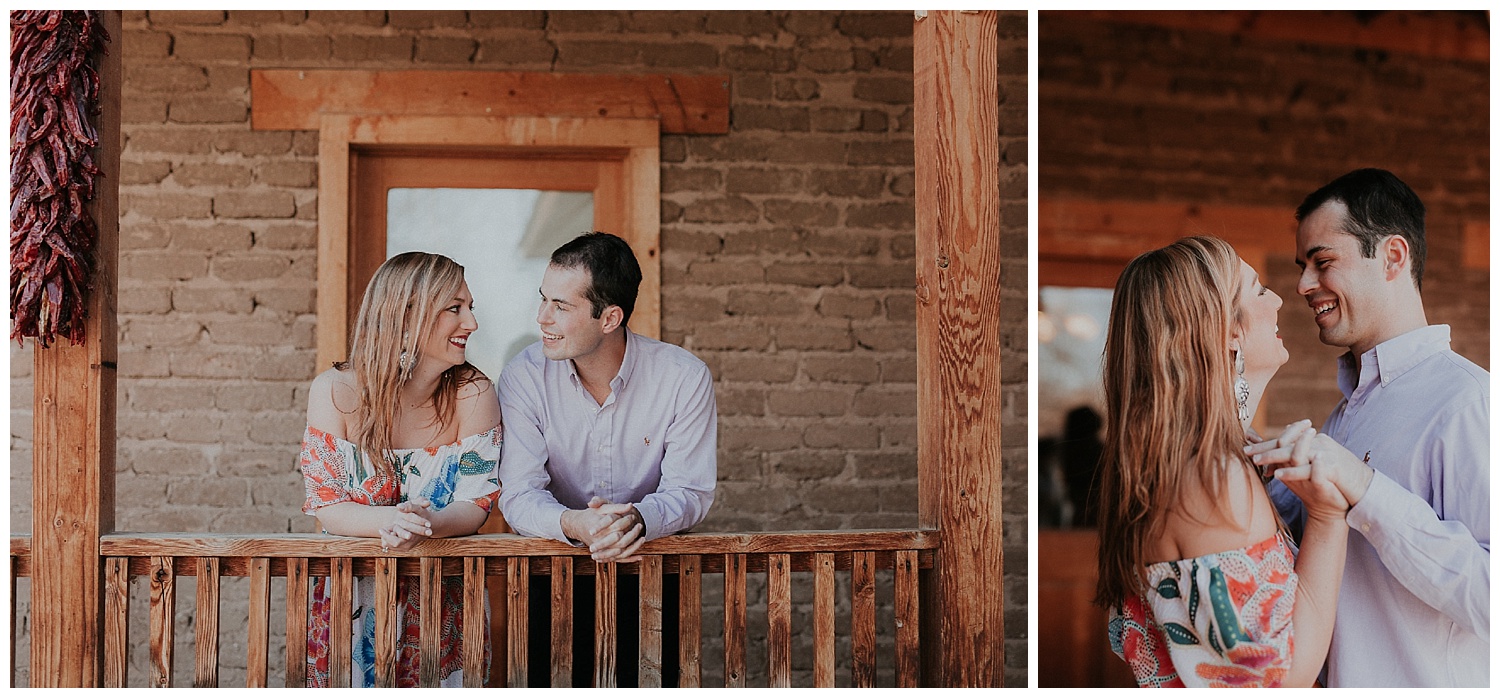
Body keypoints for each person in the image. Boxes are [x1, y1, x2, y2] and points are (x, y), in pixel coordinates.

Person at [1247, 168, 1489, 687]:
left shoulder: (1470, 403)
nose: (1304, 285)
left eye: (1323, 262)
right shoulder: (1344, 416)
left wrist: (1366, 490)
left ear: (1393, 257)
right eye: (1302, 266)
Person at [1097, 236, 1351, 687]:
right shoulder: (1209, 477)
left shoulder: (1191, 463)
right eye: (1256, 290)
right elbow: (1282, 681)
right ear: (1224, 329)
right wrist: (1328, 516)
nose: (1276, 298)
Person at [498, 231, 717, 686]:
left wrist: (635, 520)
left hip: (654, 571)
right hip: (551, 572)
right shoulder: (524, 376)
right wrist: (576, 525)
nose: (542, 318)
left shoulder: (683, 377)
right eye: (543, 300)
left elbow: (691, 491)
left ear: (609, 317)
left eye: (561, 306)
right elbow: (518, 492)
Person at [298, 251, 502, 687]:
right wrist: (389, 520)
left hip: (444, 608)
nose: (471, 323)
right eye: (454, 308)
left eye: (470, 308)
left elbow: (477, 501)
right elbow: (327, 506)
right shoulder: (335, 392)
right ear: (405, 315)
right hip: (350, 605)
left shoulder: (474, 393)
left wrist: (429, 523)